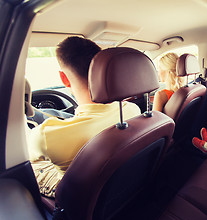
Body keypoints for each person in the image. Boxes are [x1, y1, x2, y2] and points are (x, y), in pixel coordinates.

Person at [27, 36, 141, 198]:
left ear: (64, 78)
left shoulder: (46, 135)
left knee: (34, 168)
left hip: (82, 204)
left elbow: (24, 155)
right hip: (120, 192)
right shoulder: (133, 110)